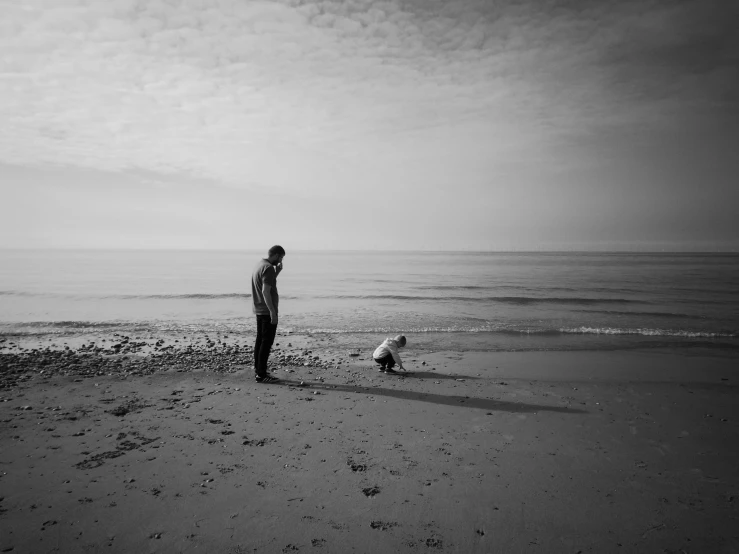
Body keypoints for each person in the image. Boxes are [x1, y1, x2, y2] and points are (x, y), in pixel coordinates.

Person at [251, 245, 285, 383]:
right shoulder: (269, 268)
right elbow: (265, 291)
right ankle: (261, 375)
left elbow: (266, 283)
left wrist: (277, 273)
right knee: (266, 342)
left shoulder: (260, 264)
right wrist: (273, 312)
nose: (281, 260)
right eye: (281, 257)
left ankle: (259, 369)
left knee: (260, 341)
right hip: (266, 311)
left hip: (258, 309)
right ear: (276, 255)